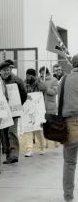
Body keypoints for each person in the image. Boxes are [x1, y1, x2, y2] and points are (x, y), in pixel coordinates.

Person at [0, 60, 27, 164]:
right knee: (4, 133)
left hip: (14, 112)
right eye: (4, 70)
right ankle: (8, 155)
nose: (6, 72)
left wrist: (18, 105)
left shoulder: (17, 80)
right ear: (0, 71)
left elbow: (24, 94)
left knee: (11, 132)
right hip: (2, 112)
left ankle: (14, 155)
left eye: (8, 70)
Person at [60, 54, 78, 202]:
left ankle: (68, 197)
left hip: (70, 123)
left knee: (69, 162)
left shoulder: (64, 79)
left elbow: (60, 101)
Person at [22, 68, 47, 157]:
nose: (28, 77)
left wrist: (38, 81)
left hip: (37, 110)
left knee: (38, 129)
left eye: (30, 75)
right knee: (27, 129)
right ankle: (29, 149)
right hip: (28, 109)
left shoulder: (38, 82)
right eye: (27, 75)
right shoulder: (24, 83)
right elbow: (21, 92)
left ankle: (42, 147)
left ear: (34, 75)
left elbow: (44, 88)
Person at [40, 66, 60, 149]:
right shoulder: (39, 80)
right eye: (40, 74)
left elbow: (55, 92)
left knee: (52, 124)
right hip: (41, 105)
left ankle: (56, 140)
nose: (41, 75)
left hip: (50, 105)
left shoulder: (54, 80)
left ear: (46, 73)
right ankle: (45, 142)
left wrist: (46, 88)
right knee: (44, 124)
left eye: (42, 73)